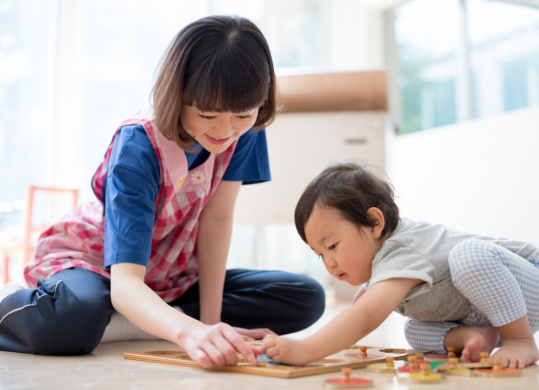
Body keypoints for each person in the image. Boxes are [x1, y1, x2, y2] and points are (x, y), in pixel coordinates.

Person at [0, 15, 325, 367]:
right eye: (207, 114)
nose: (225, 130)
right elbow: (125, 283)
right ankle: (107, 315)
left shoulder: (246, 129)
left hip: (170, 274)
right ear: (178, 95)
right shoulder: (138, 145)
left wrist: (211, 323)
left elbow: (217, 217)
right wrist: (189, 333)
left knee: (305, 297)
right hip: (99, 266)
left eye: (242, 115)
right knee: (74, 315)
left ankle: (137, 320)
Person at [261, 161, 539, 369]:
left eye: (333, 246)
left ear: (375, 223)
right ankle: (479, 337)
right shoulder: (382, 267)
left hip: (529, 289)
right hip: (482, 314)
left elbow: (364, 318)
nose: (329, 262)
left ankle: (520, 340)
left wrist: (306, 349)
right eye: (319, 254)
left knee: (469, 256)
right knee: (414, 330)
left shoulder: (403, 250)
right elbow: (362, 312)